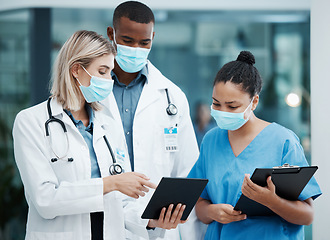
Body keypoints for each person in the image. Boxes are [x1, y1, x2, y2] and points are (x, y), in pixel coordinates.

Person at [12, 30, 156, 240]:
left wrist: (151, 221)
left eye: (110, 73)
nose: (110, 80)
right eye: (102, 71)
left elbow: (121, 203)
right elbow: (45, 200)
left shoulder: (108, 124)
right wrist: (111, 183)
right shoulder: (31, 122)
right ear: (76, 70)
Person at [188, 51, 322, 239]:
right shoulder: (211, 140)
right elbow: (200, 204)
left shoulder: (283, 141)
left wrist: (272, 201)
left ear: (254, 102)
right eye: (216, 104)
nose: (222, 111)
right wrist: (212, 212)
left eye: (232, 106)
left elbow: (307, 216)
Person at [102, 1, 204, 239]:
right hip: (104, 220)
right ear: (111, 34)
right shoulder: (93, 91)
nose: (136, 48)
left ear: (153, 38)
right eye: (127, 41)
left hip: (158, 227)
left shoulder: (172, 96)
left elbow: (187, 170)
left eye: (144, 42)